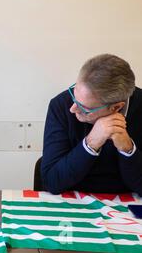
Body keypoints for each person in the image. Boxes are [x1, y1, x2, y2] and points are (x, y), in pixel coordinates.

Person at [41, 54, 142, 195]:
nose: (73, 108)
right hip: (72, 202)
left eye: (84, 108)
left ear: (116, 107)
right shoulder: (60, 105)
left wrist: (127, 149)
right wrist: (91, 143)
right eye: (74, 93)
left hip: (127, 207)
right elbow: (52, 182)